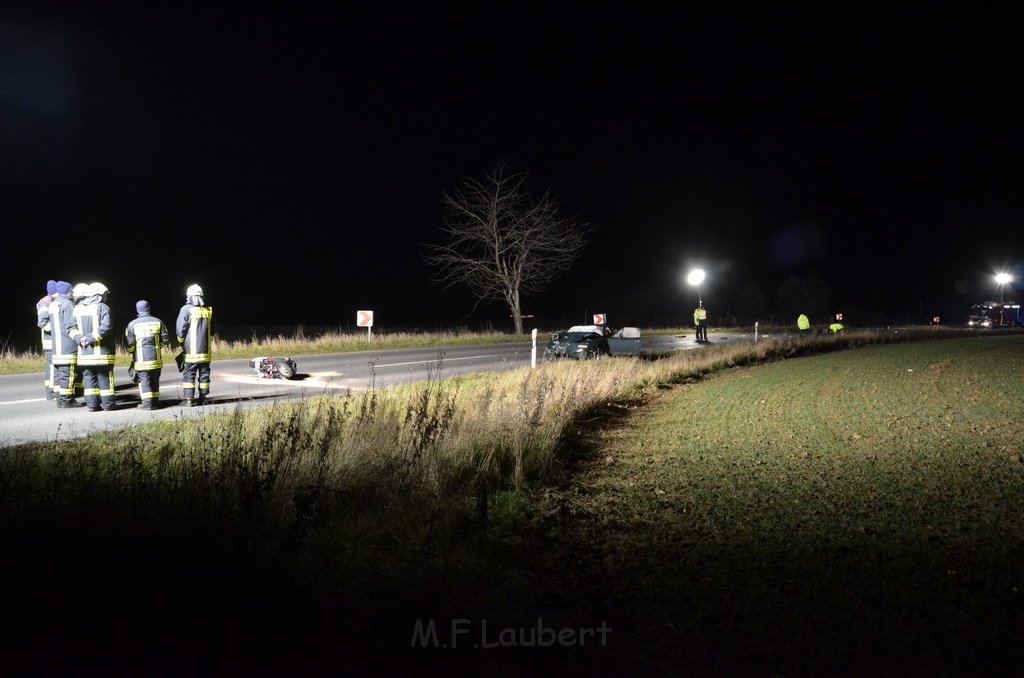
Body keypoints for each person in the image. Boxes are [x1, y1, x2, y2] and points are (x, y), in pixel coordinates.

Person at [75, 282, 116, 412]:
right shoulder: (103, 308)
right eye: (104, 295)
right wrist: (89, 338)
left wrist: (80, 339)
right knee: (104, 379)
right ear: (98, 295)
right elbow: (105, 328)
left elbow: (70, 328)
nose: (106, 298)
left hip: (84, 354)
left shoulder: (77, 308)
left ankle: (92, 405)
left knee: (89, 380)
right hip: (101, 354)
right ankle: (108, 405)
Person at [125, 300, 171, 410]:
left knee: (144, 381)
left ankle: (147, 404)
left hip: (141, 361)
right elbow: (165, 340)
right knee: (155, 380)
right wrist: (158, 347)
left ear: (138, 310)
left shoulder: (132, 324)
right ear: (149, 308)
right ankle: (155, 402)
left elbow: (130, 344)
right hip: (156, 359)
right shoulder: (158, 322)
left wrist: (132, 351)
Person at [176, 283, 216, 407]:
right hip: (206, 351)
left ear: (189, 296)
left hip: (191, 351)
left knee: (189, 374)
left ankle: (188, 399)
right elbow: (213, 330)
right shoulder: (209, 310)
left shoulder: (186, 309)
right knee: (204, 374)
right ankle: (203, 398)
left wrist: (181, 341)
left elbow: (180, 329)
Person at [48, 281, 83, 408]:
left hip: (56, 346)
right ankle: (67, 400)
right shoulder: (67, 304)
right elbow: (70, 326)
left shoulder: (53, 304)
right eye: (71, 290)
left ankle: (60, 399)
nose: (73, 292)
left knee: (59, 374)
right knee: (67, 374)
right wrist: (80, 339)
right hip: (67, 345)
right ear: (68, 291)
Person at [36, 280, 57, 400]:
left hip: (53, 340)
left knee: (52, 366)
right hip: (50, 341)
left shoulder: (49, 301)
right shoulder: (45, 303)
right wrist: (57, 331)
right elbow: (42, 322)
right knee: (51, 367)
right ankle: (50, 392)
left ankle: (52, 391)